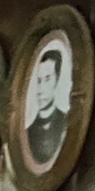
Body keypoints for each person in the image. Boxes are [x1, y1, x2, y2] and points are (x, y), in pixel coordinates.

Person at [25, 42, 71, 170]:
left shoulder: (67, 124)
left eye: (47, 79)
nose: (40, 89)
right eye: (38, 81)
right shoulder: (27, 132)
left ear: (57, 80)